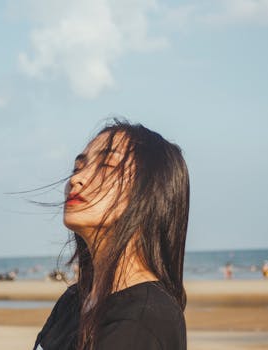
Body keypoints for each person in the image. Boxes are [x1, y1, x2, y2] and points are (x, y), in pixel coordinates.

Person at [33, 120, 189, 350]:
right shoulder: (75, 299)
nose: (76, 179)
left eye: (106, 166)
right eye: (78, 168)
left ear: (150, 191)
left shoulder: (144, 317)